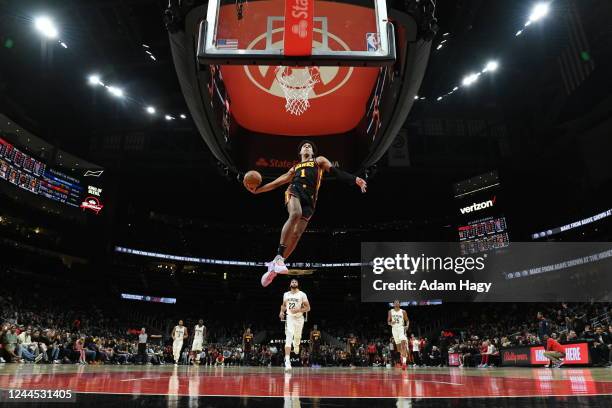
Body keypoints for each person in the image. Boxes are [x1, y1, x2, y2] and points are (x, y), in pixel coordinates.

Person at [249, 140, 367, 286]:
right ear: (300, 153)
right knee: (295, 214)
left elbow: (336, 172)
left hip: (310, 200)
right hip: (294, 190)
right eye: (304, 146)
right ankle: (279, 256)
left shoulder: (319, 160)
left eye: (309, 146)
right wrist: (258, 190)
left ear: (312, 153)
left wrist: (355, 179)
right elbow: (277, 182)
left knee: (297, 234)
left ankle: (274, 268)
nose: (307, 146)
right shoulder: (295, 167)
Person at [279, 279, 310, 370]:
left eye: (295, 282)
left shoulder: (302, 294)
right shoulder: (286, 294)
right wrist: (281, 312)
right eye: (292, 282)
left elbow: (308, 308)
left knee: (297, 337)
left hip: (299, 318)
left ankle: (296, 344)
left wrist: (298, 310)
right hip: (290, 318)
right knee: (288, 337)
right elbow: (284, 305)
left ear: (298, 284)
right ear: (290, 284)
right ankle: (287, 361)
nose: (294, 283)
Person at [388, 300, 409, 370]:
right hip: (394, 329)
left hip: (401, 328)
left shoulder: (403, 311)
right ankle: (402, 356)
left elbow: (407, 320)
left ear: (400, 304)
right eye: (395, 302)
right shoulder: (390, 311)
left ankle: (404, 363)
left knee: (403, 344)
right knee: (399, 349)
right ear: (393, 304)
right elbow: (388, 321)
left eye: (398, 302)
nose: (396, 303)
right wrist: (391, 323)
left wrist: (407, 326)